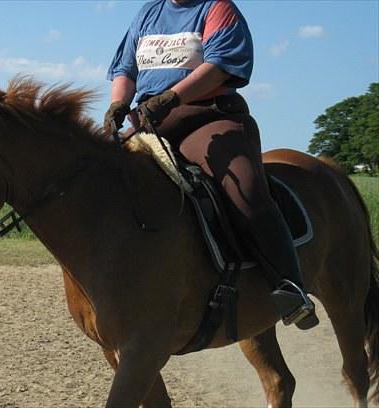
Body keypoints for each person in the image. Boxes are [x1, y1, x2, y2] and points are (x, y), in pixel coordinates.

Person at [103, 0, 318, 329]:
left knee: (244, 190)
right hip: (150, 120)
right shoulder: (148, 13)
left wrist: (171, 97)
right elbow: (125, 70)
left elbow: (221, 64)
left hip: (207, 116)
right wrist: (119, 104)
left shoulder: (218, 8)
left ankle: (289, 287)